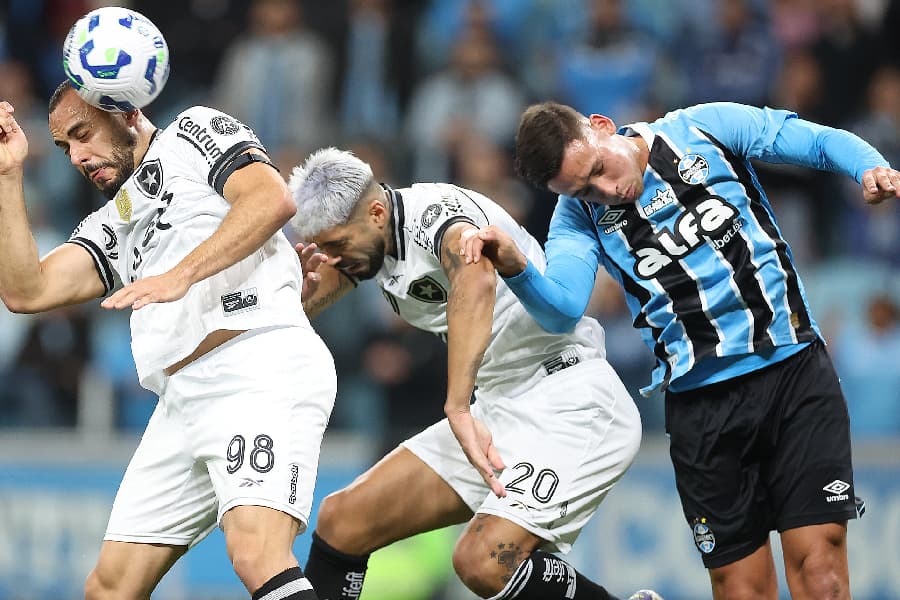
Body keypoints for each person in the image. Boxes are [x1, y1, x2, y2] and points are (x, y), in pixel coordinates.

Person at [461, 100, 900, 600]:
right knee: (742, 588)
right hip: (702, 409)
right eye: (585, 189)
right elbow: (562, 309)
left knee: (821, 574)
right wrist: (517, 265)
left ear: (603, 128)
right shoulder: (577, 218)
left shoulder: (701, 129)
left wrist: (868, 167)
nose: (607, 191)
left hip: (793, 373)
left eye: (599, 170)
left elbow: (816, 141)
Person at [0, 83, 336, 600]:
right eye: (66, 148)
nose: (78, 157)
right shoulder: (115, 222)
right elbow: (28, 290)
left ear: (126, 112)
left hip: (256, 367)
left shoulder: (191, 133)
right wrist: (8, 173)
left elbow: (272, 198)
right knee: (109, 588)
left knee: (257, 555)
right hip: (181, 404)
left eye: (83, 134)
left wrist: (181, 274)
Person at [289, 147, 660, 600]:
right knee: (341, 520)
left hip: (570, 398)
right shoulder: (374, 242)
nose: (331, 259)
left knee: (483, 561)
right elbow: (328, 281)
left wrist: (457, 405)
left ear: (376, 211)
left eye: (337, 246)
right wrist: (290, 302)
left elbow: (475, 275)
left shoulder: (435, 215)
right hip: (501, 405)